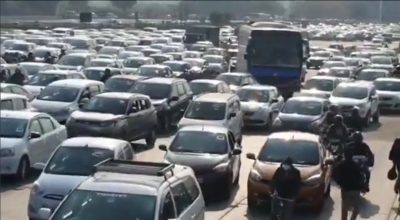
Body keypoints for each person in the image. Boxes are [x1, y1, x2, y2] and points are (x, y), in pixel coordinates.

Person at [331, 147, 363, 220]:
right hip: (355, 190)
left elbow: (333, 174)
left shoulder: (341, 165)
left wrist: (339, 182)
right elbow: (360, 177)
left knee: (345, 210)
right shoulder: (355, 165)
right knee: (356, 209)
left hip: (346, 190)